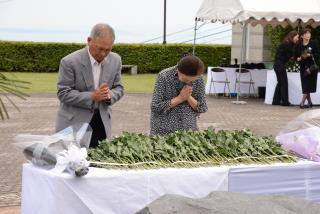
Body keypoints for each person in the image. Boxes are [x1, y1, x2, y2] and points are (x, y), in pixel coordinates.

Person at [55, 23, 124, 147]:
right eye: (100, 49)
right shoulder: (69, 62)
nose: (103, 54)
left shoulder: (116, 60)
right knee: (73, 164)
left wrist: (109, 95)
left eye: (108, 50)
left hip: (102, 124)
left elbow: (119, 88)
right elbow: (63, 93)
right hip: (73, 125)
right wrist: (92, 96)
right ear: (89, 41)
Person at [150, 55, 208, 135]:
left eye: (192, 81)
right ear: (178, 70)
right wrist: (180, 98)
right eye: (185, 79)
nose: (188, 83)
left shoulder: (199, 78)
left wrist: (188, 97)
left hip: (188, 133)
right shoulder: (164, 76)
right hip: (163, 132)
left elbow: (203, 108)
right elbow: (155, 106)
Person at [272, 31, 299, 106]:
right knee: (284, 83)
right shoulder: (287, 44)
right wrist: (298, 58)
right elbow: (291, 56)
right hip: (279, 65)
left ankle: (276, 101)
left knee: (280, 83)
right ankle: (285, 102)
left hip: (278, 65)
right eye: (297, 37)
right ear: (292, 36)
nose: (297, 39)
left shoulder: (286, 43)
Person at [296, 28, 319, 108]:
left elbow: (317, 54)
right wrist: (298, 59)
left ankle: (302, 103)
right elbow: (296, 56)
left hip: (311, 68)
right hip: (303, 67)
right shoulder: (299, 46)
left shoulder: (313, 43)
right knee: (305, 85)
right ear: (302, 36)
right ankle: (309, 102)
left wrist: (311, 55)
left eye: (309, 33)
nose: (308, 35)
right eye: (306, 34)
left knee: (307, 85)